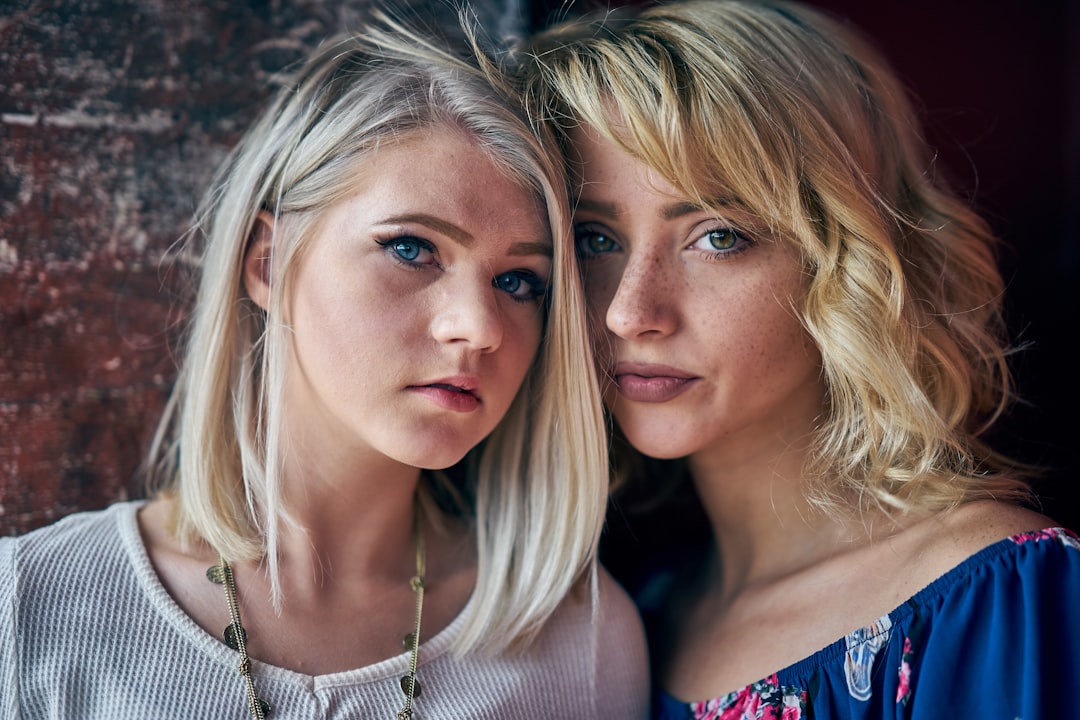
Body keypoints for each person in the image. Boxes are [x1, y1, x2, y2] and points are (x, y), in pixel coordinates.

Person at [0, 7, 650, 719]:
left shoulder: (581, 645)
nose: (480, 327)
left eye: (520, 281)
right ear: (270, 264)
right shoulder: (28, 609)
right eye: (411, 248)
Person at [515, 1, 1080, 718]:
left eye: (717, 237)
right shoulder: (628, 614)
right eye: (595, 238)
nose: (630, 312)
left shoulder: (996, 596)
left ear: (847, 259)